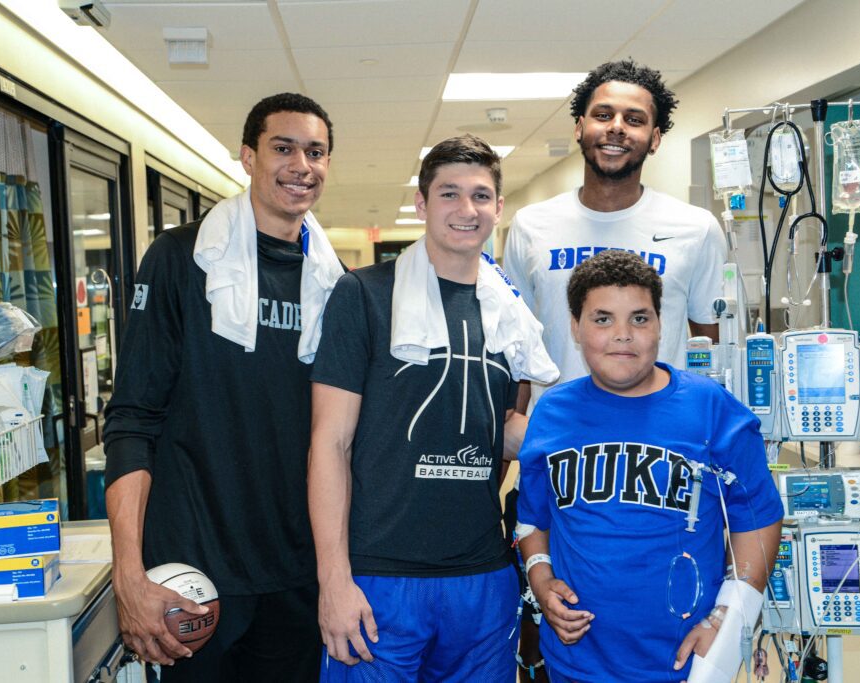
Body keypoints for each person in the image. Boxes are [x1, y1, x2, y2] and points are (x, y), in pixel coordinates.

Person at [104, 92, 344, 682]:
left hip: (295, 568)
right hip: (194, 570)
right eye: (283, 148)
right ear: (247, 156)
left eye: (315, 152)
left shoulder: (336, 287)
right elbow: (132, 419)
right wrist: (129, 573)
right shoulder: (181, 260)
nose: (301, 165)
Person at [308, 134, 558, 682]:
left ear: (497, 207)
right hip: (380, 579)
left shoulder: (507, 313)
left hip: (482, 578)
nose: (466, 210)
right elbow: (330, 442)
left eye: (481, 195)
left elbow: (504, 429)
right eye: (449, 194)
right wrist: (334, 579)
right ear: (422, 204)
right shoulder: (365, 295)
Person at [516, 249, 783, 683]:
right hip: (575, 660)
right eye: (602, 319)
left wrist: (727, 619)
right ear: (575, 327)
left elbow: (759, 519)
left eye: (639, 319)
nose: (623, 335)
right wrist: (541, 580)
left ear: (661, 325)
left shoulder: (711, 409)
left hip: (683, 663)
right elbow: (532, 519)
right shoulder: (552, 412)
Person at [504, 58, 726, 388]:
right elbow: (516, 343)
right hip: (560, 427)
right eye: (603, 115)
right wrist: (517, 422)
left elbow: (713, 350)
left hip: (659, 429)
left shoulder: (696, 228)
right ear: (579, 128)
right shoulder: (531, 226)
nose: (617, 127)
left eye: (634, 119)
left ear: (654, 139)